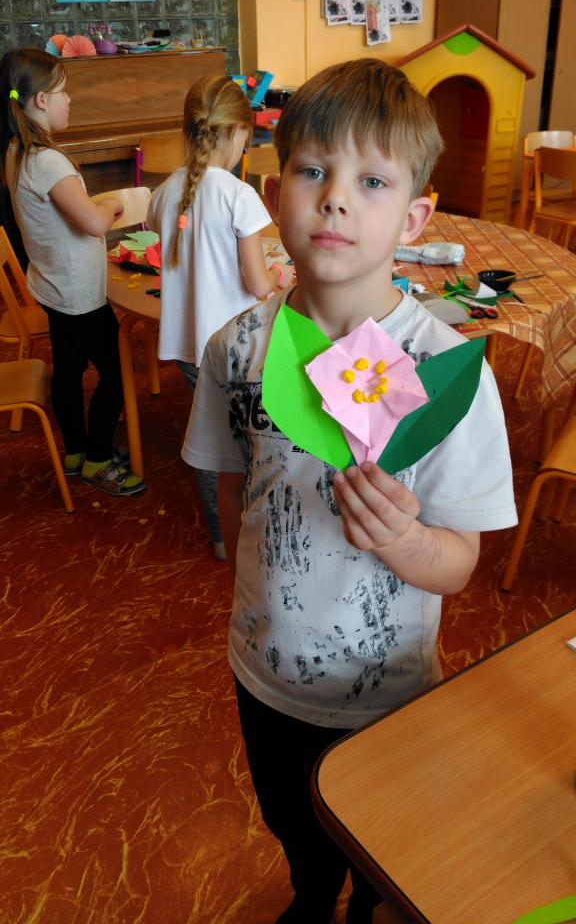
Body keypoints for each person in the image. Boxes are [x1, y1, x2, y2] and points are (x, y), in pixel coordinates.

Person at [180, 59, 518, 923]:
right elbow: (235, 496)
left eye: (371, 181)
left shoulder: (445, 370)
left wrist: (405, 540)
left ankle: (364, 902)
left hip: (390, 689)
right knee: (295, 828)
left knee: (381, 847)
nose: (335, 199)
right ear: (273, 191)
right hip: (266, 673)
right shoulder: (236, 349)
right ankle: (309, 893)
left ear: (413, 218)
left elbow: (458, 565)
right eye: (311, 170)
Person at [146, 74, 295, 559]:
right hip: (235, 349)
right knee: (253, 441)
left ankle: (221, 537)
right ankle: (259, 532)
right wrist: (279, 274)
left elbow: (173, 245)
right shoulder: (238, 195)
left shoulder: (165, 191)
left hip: (189, 347)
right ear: (235, 133)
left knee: (211, 443)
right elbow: (256, 283)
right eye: (246, 137)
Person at [0, 47, 144, 496]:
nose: (69, 100)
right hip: (77, 294)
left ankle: (76, 450)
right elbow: (94, 223)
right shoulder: (46, 160)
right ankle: (98, 458)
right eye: (63, 92)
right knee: (118, 371)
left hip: (51, 286)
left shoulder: (15, 149)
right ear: (41, 100)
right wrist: (113, 203)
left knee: (68, 368)